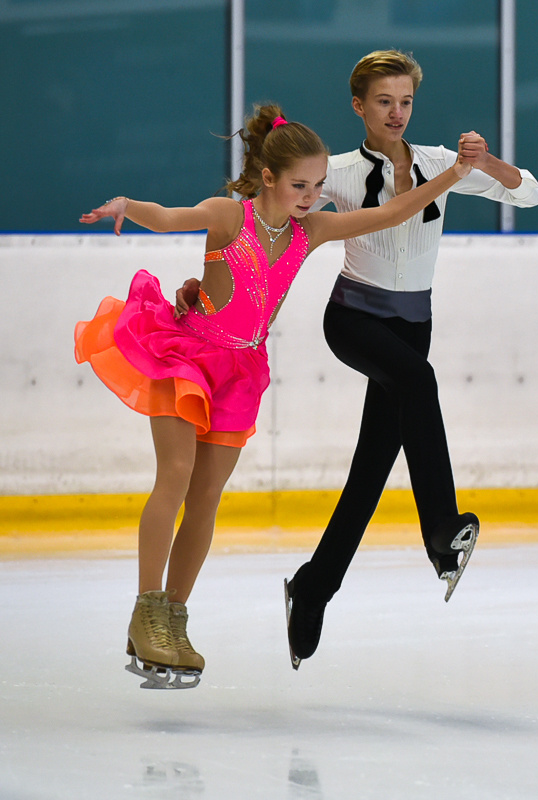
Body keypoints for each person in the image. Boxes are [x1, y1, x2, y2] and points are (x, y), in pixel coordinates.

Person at [75, 103, 472, 688]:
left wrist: (454, 177)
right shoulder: (227, 217)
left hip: (241, 370)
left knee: (206, 497)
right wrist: (127, 207)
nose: (311, 196)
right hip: (187, 355)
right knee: (177, 475)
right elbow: (169, 216)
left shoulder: (310, 232)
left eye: (317, 186)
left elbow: (390, 212)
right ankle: (144, 611)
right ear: (268, 178)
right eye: (299, 185)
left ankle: (173, 619)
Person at [273, 50, 538, 668]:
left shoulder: (443, 164)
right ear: (358, 107)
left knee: (370, 472)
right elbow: (287, 219)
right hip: (354, 319)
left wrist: (487, 161)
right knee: (419, 381)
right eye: (384, 101)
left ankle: (312, 589)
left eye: (406, 101)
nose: (397, 113)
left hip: (412, 325)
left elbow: (529, 193)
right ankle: (442, 533)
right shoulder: (337, 172)